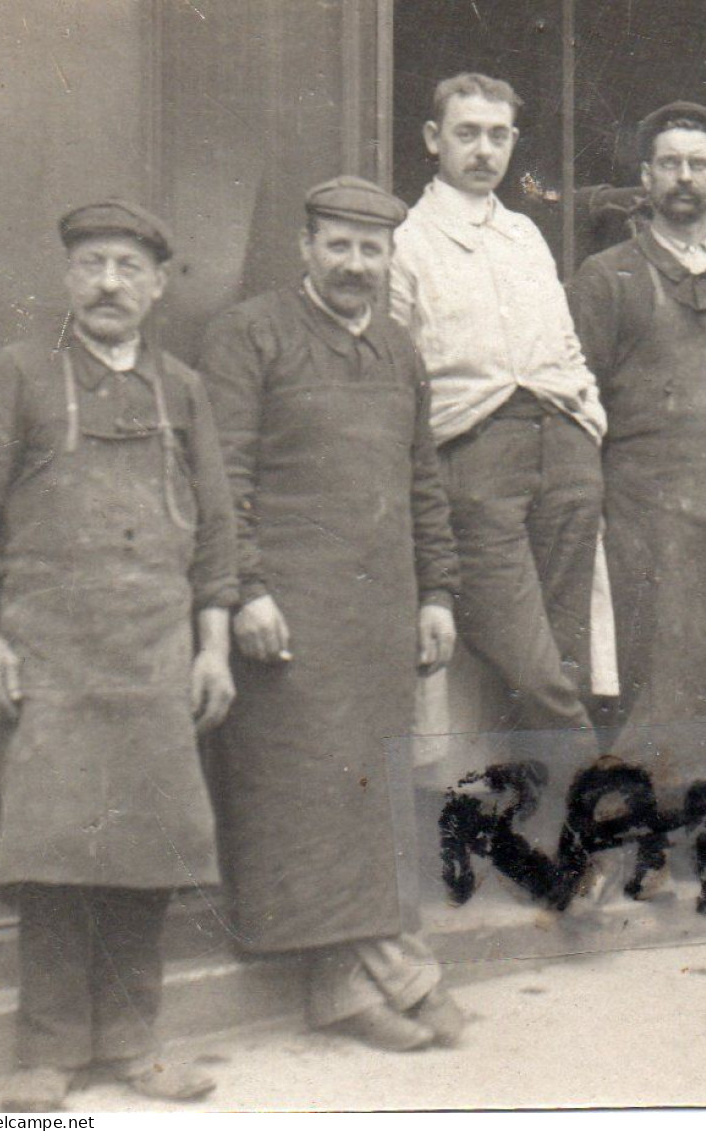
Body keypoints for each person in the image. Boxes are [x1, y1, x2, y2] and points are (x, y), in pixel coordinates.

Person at [0, 201, 238, 1110]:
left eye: (127, 268)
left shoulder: (181, 388)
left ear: (156, 286)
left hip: (155, 657)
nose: (109, 283)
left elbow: (219, 535)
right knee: (56, 855)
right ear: (69, 278)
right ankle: (46, 1052)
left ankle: (137, 1044)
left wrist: (213, 648)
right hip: (49, 658)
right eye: (92, 265)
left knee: (146, 856)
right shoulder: (18, 374)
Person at [199, 177, 464, 1050]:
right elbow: (220, 475)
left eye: (371, 249)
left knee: (368, 795)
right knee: (309, 795)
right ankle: (360, 981)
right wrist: (246, 587)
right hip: (288, 612)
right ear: (304, 249)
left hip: (380, 611)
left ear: (391, 258)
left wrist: (436, 594)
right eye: (339, 246)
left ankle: (376, 974)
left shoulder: (397, 348)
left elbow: (425, 482)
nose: (355, 264)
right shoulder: (250, 335)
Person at [565, 101, 706, 798]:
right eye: (669, 164)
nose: (684, 178)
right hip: (648, 527)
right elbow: (577, 408)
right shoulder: (606, 277)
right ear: (645, 176)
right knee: (656, 689)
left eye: (698, 164)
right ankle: (651, 844)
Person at [390, 72, 606, 746]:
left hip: (565, 452)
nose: (483, 150)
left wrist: (587, 416)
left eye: (497, 135)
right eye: (466, 134)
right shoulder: (406, 240)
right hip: (474, 459)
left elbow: (564, 339)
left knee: (563, 660)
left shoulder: (524, 236)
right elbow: (396, 367)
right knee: (535, 668)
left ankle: (552, 842)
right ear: (433, 139)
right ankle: (608, 818)